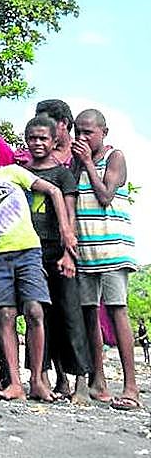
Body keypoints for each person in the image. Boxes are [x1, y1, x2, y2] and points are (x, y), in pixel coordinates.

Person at [0, 130, 76, 402]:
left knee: (36, 311)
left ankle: (37, 380)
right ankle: (14, 382)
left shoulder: (14, 172)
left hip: (28, 250)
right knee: (5, 315)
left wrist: (65, 231)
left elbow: (54, 190)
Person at [71, 108, 139, 410]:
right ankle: (98, 381)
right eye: (78, 132)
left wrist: (86, 162)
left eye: (89, 132)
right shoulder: (76, 163)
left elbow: (106, 196)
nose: (82, 138)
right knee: (89, 317)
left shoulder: (115, 157)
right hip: (86, 252)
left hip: (113, 251)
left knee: (116, 312)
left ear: (104, 132)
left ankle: (131, 388)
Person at [24, 115, 91, 403]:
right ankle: (50, 378)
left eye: (43, 138)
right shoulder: (22, 172)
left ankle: (81, 383)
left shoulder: (63, 175)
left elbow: (70, 215)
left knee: (70, 315)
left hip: (59, 252)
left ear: (54, 141)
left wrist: (69, 253)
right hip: (31, 253)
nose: (38, 143)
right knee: (40, 316)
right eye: (33, 138)